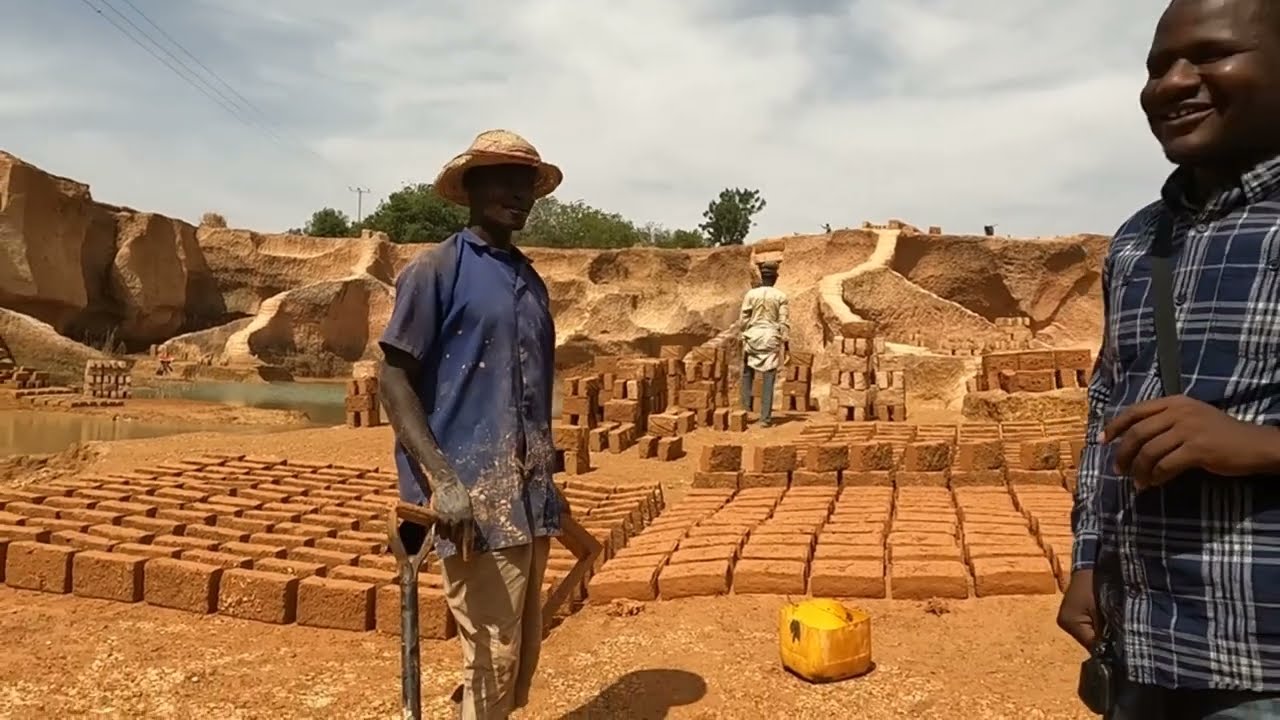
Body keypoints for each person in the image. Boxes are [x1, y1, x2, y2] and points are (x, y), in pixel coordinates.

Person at [1057, 0, 1280, 716]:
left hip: (1262, 655)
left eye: (1210, 56)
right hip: (1146, 639)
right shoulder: (1137, 241)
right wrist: (1088, 561)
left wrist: (1260, 446)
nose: (1170, 84)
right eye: (1156, 67)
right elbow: (1105, 407)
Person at [378, 129, 567, 719]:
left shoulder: (530, 283)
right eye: (502, 179)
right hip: (472, 499)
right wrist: (443, 480)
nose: (518, 193)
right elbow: (393, 379)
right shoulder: (437, 270)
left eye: (527, 183)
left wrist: (547, 478)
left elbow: (528, 396)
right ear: (470, 187)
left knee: (519, 653)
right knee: (491, 654)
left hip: (527, 498)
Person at [738, 262, 788, 427]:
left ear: (762, 277)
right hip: (770, 338)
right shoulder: (781, 296)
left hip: (753, 336)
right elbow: (783, 322)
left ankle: (744, 411)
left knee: (747, 373)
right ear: (775, 279)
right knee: (768, 377)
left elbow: (744, 318)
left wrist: (744, 333)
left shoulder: (751, 294)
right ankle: (765, 418)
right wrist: (785, 344)